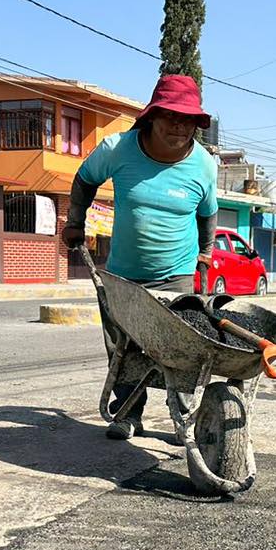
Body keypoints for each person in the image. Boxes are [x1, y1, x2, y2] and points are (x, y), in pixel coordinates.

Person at [62, 74, 218, 441]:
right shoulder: (118, 149)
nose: (180, 126)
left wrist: (207, 252)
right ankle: (129, 413)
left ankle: (183, 416)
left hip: (176, 275)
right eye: (171, 116)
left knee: (181, 349)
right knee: (123, 347)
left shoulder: (204, 165)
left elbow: (208, 212)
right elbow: (85, 179)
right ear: (152, 116)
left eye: (188, 118)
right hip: (123, 276)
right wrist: (74, 221)